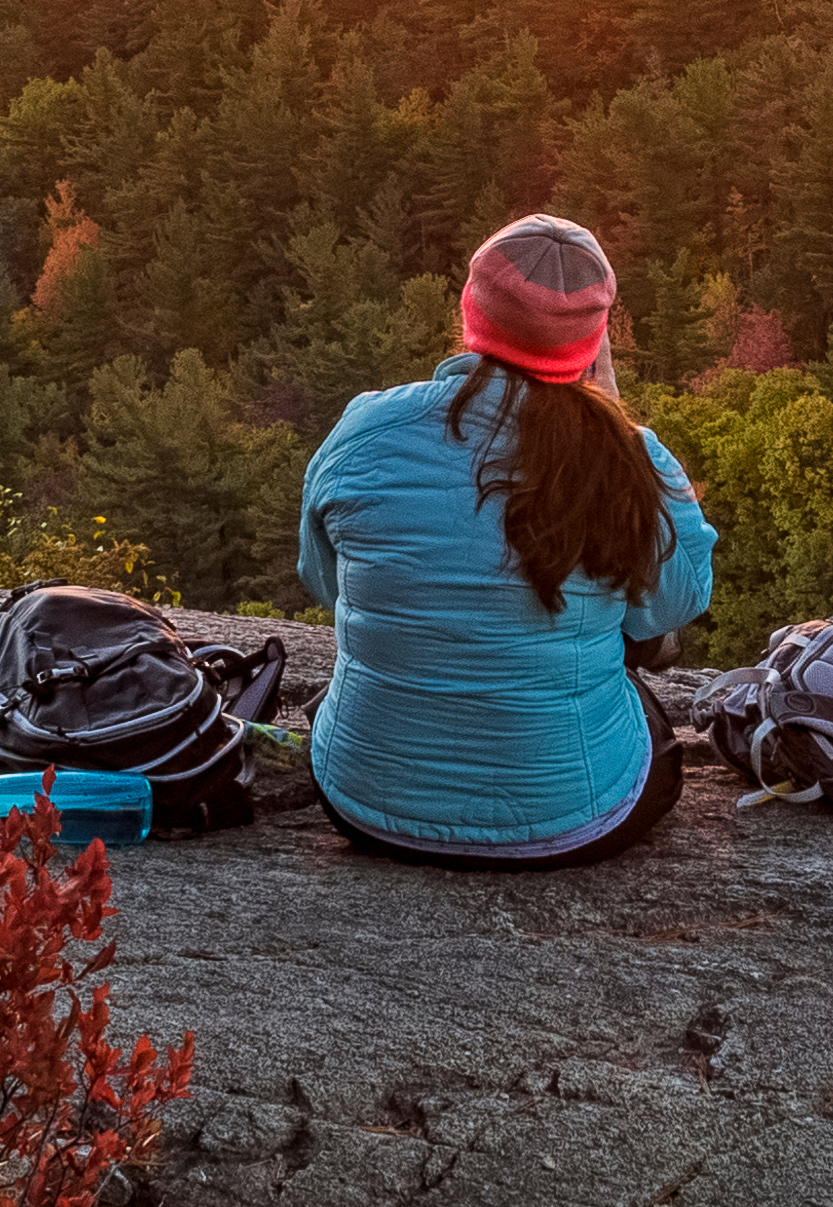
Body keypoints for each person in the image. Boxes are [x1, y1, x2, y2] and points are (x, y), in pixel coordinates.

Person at [294, 213, 718, 868]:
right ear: (594, 338)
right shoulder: (629, 456)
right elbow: (678, 601)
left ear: (469, 308)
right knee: (643, 670)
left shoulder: (363, 429)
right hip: (573, 815)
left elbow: (325, 581)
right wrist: (610, 409)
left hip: (363, 801)